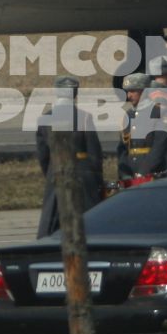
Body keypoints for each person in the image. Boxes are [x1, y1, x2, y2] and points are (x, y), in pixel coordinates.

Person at [36, 77, 105, 234]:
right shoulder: (84, 117)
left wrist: (51, 172)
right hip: (82, 175)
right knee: (89, 223)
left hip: (56, 172)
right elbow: (94, 153)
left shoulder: (44, 119)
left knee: (51, 224)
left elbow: (43, 155)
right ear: (75, 93)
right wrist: (96, 180)